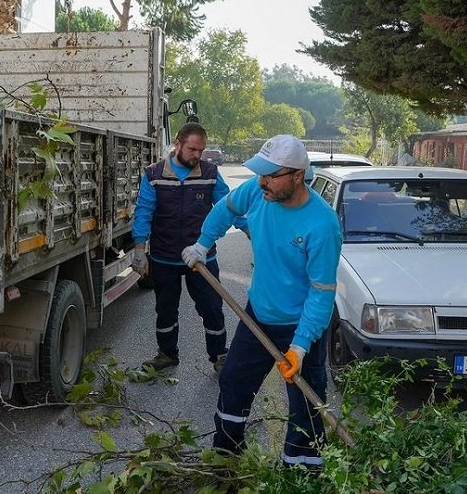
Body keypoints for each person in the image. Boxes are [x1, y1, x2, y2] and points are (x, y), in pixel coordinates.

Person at [182, 135, 341, 468]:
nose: (262, 181)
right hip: (258, 317)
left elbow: (321, 293)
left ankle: (301, 476)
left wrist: (299, 347)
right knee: (234, 380)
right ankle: (226, 456)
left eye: (271, 174)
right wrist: (203, 243)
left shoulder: (322, 225)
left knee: (306, 404)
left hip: (301, 325)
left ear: (297, 176)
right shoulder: (257, 192)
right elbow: (224, 210)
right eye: (260, 173)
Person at [132, 122, 233, 373]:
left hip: (202, 259)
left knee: (211, 309)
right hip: (164, 258)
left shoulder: (210, 173)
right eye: (192, 149)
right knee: (165, 310)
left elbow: (228, 207)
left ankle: (220, 356)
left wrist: (252, 230)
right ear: (177, 144)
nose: (197, 155)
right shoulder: (154, 175)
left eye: (201, 150)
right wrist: (139, 250)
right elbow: (144, 212)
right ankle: (166, 354)